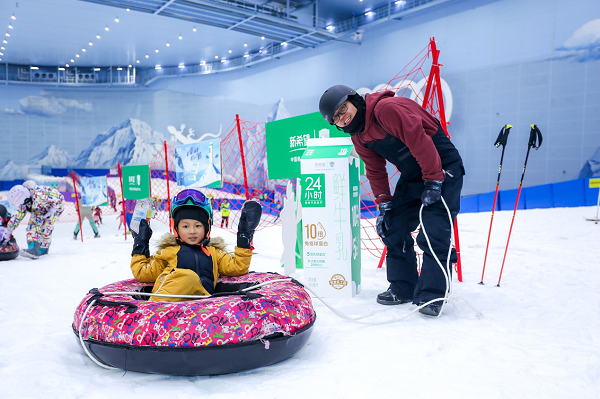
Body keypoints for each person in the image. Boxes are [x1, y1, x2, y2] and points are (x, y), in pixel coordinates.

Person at [319, 85, 465, 317]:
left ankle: (432, 294)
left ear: (354, 100)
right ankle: (403, 287)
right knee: (392, 225)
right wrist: (384, 203)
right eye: (336, 117)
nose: (343, 117)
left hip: (442, 168)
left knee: (433, 228)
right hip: (415, 175)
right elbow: (375, 171)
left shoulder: (386, 110)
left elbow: (420, 142)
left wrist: (434, 181)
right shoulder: (358, 136)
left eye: (343, 109)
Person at [130, 189, 262, 302]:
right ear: (176, 228)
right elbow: (143, 273)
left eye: (198, 226)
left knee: (195, 281)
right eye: (185, 226)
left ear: (207, 228)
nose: (192, 231)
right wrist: (140, 244)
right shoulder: (169, 252)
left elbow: (238, 267)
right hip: (167, 306)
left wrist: (244, 236)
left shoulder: (214, 253)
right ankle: (152, 310)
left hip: (201, 307)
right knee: (188, 278)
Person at [2, 183, 65, 259]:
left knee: (46, 228)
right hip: (38, 211)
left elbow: (60, 198)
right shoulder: (23, 203)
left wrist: (52, 211)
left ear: (25, 197)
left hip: (54, 209)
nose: (21, 204)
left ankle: (43, 249)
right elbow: (17, 217)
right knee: (32, 226)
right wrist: (8, 232)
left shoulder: (41, 193)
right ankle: (33, 249)